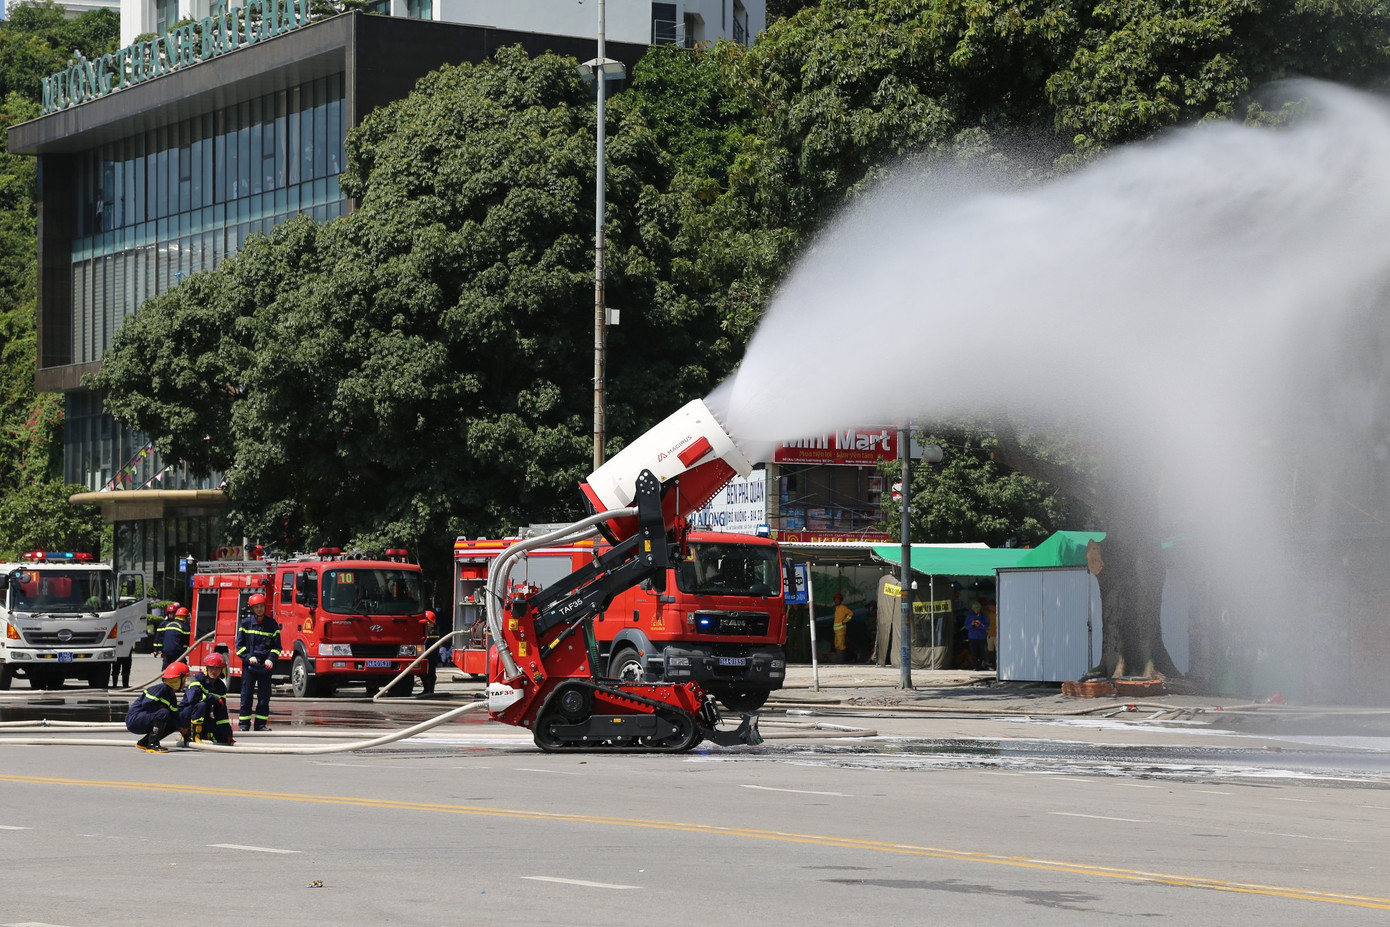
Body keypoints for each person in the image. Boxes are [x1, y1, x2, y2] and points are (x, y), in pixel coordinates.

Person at [236, 592, 282, 731]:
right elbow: (239, 646)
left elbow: (277, 647)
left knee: (264, 697)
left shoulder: (272, 624)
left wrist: (270, 659)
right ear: (252, 609)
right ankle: (244, 725)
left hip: (265, 667)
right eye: (256, 607)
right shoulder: (245, 624)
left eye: (261, 606)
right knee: (246, 695)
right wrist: (248, 657)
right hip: (249, 666)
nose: (259, 609)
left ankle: (260, 724)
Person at [126, 661, 191, 753]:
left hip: (144, 719)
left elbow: (175, 715)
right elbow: (147, 704)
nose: (185, 683)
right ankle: (152, 744)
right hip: (135, 719)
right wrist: (162, 708)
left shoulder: (171, 695)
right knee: (164, 713)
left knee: (174, 723)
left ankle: (144, 742)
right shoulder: (161, 688)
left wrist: (184, 731)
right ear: (176, 680)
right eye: (184, 679)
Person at [181, 652, 235, 745]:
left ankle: (203, 734)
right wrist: (214, 698)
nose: (214, 671)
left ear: (222, 670)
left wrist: (227, 734)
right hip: (186, 716)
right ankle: (193, 735)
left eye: (217, 668)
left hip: (203, 717)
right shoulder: (197, 679)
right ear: (206, 668)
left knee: (221, 737)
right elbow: (193, 698)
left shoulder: (220, 687)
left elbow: (221, 714)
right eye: (211, 668)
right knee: (202, 704)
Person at [155, 605, 190, 669]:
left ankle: (164, 676)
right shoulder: (185, 627)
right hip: (177, 652)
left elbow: (162, 638)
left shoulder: (169, 624)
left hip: (166, 652)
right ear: (185, 617)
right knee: (183, 668)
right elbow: (187, 641)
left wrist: (158, 650)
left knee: (166, 668)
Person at [965, 600, 991, 671]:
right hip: (972, 637)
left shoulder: (983, 615)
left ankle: (987, 665)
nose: (977, 611)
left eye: (978, 609)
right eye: (976, 609)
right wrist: (971, 624)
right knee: (974, 652)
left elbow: (987, 625)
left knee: (984, 652)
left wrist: (980, 625)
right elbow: (966, 626)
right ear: (973, 609)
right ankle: (976, 666)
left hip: (982, 637)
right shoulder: (969, 616)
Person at [418, 609, 438, 696]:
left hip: (428, 655)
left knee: (426, 673)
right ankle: (429, 690)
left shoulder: (428, 630)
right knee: (431, 673)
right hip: (433, 655)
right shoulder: (434, 629)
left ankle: (428, 690)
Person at [832, 593, 853, 663]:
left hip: (841, 630)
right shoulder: (836, 608)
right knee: (837, 644)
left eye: (838, 600)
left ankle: (841, 660)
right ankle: (839, 660)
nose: (836, 601)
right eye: (835, 600)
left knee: (841, 645)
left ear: (840, 600)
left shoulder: (843, 608)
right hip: (836, 631)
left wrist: (845, 621)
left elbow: (851, 613)